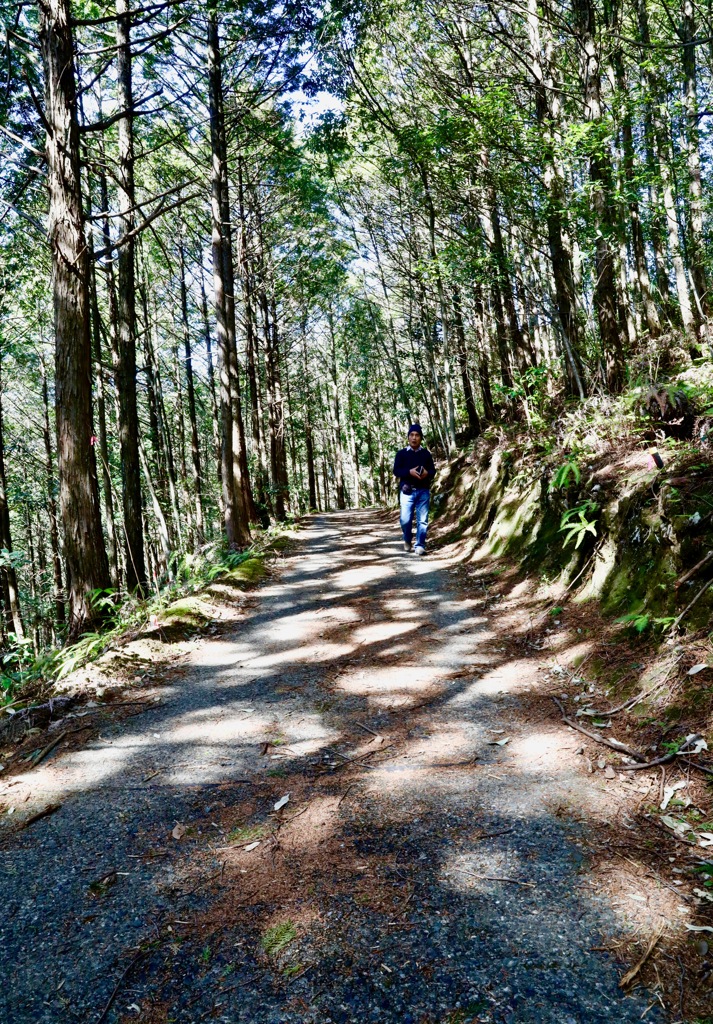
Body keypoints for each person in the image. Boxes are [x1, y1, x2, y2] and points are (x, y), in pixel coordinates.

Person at [393, 424, 436, 555]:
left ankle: (420, 545)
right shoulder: (401, 454)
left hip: (423, 490)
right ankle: (407, 539)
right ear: (408, 437)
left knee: (422, 520)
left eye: (417, 435)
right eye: (411, 435)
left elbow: (433, 471)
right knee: (405, 520)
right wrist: (409, 472)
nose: (414, 438)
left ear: (421, 438)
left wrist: (426, 473)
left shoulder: (426, 454)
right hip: (407, 491)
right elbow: (396, 471)